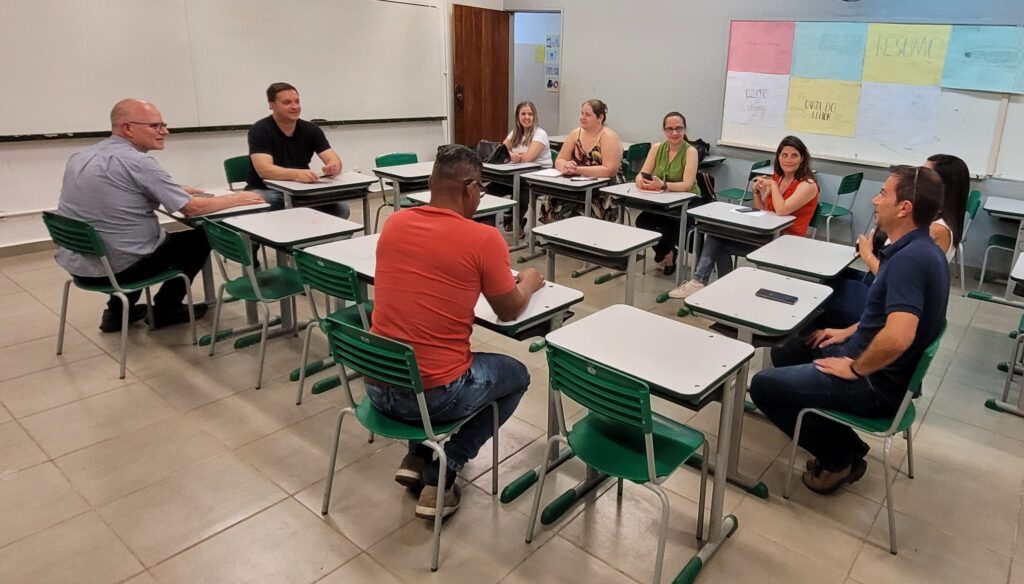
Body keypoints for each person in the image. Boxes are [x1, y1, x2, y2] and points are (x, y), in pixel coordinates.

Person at [367, 144, 545, 519]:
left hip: (376, 385)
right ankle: (445, 468)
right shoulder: (483, 239)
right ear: (470, 189)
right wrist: (529, 281)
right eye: (480, 190)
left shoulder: (395, 222)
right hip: (435, 397)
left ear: (432, 182)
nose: (480, 198)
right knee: (516, 375)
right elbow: (509, 310)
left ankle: (417, 455)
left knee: (415, 350)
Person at [749, 165, 949, 495]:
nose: (875, 199)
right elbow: (890, 314)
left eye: (884, 193)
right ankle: (836, 438)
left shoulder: (909, 261)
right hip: (877, 365)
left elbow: (900, 335)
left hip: (876, 383)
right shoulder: (922, 249)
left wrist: (855, 366)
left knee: (763, 385)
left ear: (904, 208)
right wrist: (848, 332)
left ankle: (839, 458)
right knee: (788, 350)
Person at [55, 99, 265, 332]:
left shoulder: (82, 156)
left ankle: (116, 312)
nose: (165, 131)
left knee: (131, 240)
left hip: (81, 262)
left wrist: (172, 189)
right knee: (202, 236)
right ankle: (167, 308)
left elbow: (119, 191)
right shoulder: (137, 161)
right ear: (127, 128)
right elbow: (190, 209)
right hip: (119, 268)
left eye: (163, 124)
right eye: (155, 126)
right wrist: (236, 198)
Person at [819, 154, 968, 329]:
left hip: (888, 299)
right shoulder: (927, 220)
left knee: (824, 297)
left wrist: (867, 254)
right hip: (884, 287)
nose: (918, 176)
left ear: (941, 185)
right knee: (832, 277)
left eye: (927, 172)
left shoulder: (935, 229)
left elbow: (895, 278)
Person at [669, 135, 819, 298]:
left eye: (794, 156)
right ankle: (710, 285)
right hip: (767, 235)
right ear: (778, 157)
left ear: (802, 158)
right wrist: (756, 192)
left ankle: (708, 285)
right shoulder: (778, 177)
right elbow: (762, 212)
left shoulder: (808, 185)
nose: (788, 160)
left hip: (786, 242)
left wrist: (773, 186)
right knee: (716, 235)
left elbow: (782, 210)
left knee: (718, 241)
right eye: (784, 155)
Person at [245, 82, 349, 217]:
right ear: (272, 105)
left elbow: (332, 158)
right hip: (266, 189)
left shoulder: (311, 129)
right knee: (266, 203)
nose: (295, 107)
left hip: (301, 189)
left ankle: (318, 238)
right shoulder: (260, 130)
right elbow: (265, 170)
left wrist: (333, 167)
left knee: (341, 209)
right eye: (287, 102)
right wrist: (298, 174)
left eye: (297, 101)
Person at [633, 112, 701, 276]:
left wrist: (663, 185)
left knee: (668, 225)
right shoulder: (657, 148)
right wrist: (641, 181)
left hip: (688, 201)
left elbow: (687, 185)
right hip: (663, 200)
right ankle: (668, 252)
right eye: (670, 129)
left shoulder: (691, 151)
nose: (675, 133)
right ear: (664, 130)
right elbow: (641, 174)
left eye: (679, 128)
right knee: (642, 221)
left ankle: (668, 257)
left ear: (685, 129)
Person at [544, 99, 623, 223]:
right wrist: (564, 165)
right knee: (552, 198)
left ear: (600, 117)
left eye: (588, 115)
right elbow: (559, 159)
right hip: (577, 183)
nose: (582, 117)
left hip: (605, 187)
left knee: (580, 208)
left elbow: (609, 170)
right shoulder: (575, 134)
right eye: (582, 113)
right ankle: (558, 237)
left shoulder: (609, 136)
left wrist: (577, 170)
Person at [499, 101, 552, 231]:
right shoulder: (515, 133)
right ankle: (485, 224)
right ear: (518, 116)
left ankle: (515, 222)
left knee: (521, 192)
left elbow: (528, 158)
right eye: (523, 114)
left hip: (538, 177)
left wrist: (511, 155)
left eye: (530, 114)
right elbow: (500, 151)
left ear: (535, 117)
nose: (526, 117)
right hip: (517, 173)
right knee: (491, 188)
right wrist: (511, 155)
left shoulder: (540, 134)